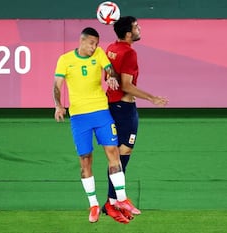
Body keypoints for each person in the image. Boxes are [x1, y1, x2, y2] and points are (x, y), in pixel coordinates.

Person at [53, 27, 139, 224]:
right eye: (91, 43)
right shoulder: (65, 60)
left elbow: (109, 70)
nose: (94, 47)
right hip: (79, 117)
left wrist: (110, 76)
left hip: (101, 112)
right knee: (85, 160)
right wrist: (58, 105)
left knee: (113, 152)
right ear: (82, 41)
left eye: (96, 44)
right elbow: (57, 85)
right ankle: (93, 204)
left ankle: (122, 199)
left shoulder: (99, 54)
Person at [102, 16, 169, 222]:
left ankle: (113, 201)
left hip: (112, 104)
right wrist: (152, 98)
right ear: (129, 34)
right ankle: (114, 200)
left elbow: (108, 75)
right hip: (125, 108)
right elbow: (127, 85)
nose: (140, 29)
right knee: (123, 154)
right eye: (136, 27)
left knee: (118, 155)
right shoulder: (129, 52)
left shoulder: (111, 47)